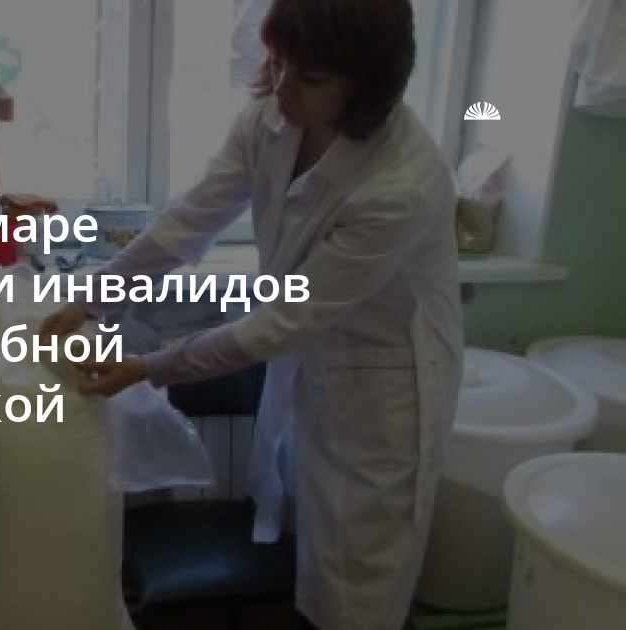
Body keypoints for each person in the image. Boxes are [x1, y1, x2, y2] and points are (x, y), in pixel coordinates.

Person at [40, 0, 463, 628]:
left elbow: (275, 326)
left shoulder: (401, 186)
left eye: (310, 78)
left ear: (368, 84)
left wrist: (146, 368)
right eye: (278, 62)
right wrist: (88, 298)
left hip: (383, 392)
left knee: (357, 584)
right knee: (304, 545)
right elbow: (191, 219)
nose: (283, 90)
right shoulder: (271, 120)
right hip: (314, 360)